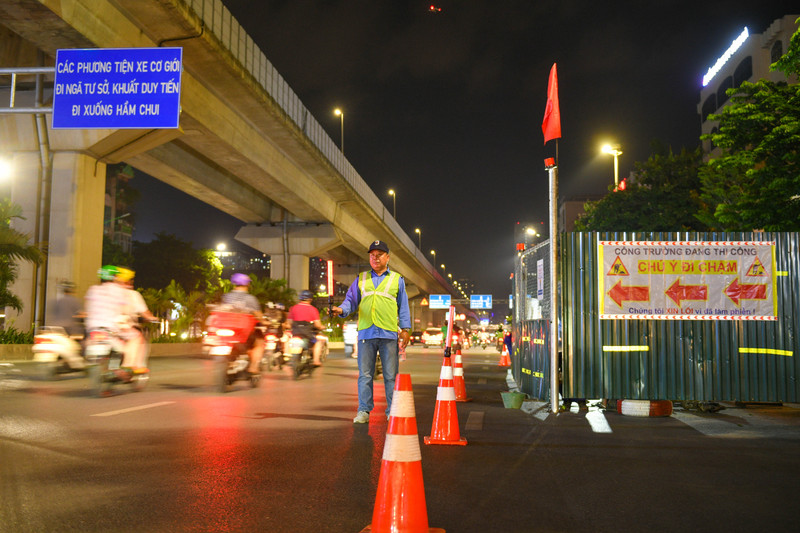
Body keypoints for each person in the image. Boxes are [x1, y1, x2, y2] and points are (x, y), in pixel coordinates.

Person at [332, 240, 411, 424]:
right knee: (365, 374)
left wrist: (405, 330)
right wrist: (341, 310)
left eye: (379, 254)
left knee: (391, 376)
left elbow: (403, 307)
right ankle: (364, 411)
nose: (375, 258)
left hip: (388, 334)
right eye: (372, 255)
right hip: (366, 333)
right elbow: (350, 301)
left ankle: (392, 411)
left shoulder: (397, 279)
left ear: (387, 257)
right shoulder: (361, 279)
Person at [221, 273, 264, 375]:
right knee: (260, 342)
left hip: (227, 330)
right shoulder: (251, 299)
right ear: (247, 284)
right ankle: (253, 367)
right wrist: (264, 321)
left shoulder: (226, 297)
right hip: (244, 332)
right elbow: (259, 315)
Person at [114, 267, 158, 369]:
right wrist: (153, 318)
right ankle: (135, 366)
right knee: (139, 338)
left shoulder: (107, 293)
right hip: (124, 327)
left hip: (107, 326)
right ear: (128, 281)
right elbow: (145, 313)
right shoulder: (133, 295)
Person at [285, 290, 325, 366]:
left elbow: (289, 324)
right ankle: (316, 361)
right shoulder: (313, 309)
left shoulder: (293, 308)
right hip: (307, 334)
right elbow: (317, 325)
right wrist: (322, 327)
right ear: (310, 299)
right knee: (318, 342)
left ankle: (288, 356)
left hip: (295, 333)